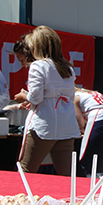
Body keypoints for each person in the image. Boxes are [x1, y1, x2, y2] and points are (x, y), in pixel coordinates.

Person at [13, 26, 80, 175]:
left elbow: (36, 97)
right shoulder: (68, 68)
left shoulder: (38, 66)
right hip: (66, 124)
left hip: (44, 125)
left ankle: (21, 198)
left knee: (26, 171)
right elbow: (69, 96)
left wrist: (25, 96)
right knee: (67, 175)